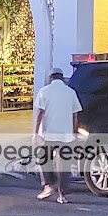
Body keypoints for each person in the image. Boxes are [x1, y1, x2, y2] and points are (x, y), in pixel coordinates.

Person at [33, 67, 82, 204]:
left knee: (44, 159)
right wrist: (75, 133)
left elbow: (40, 114)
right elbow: (75, 116)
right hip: (66, 136)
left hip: (49, 134)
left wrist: (35, 132)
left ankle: (48, 185)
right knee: (64, 166)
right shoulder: (71, 92)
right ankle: (62, 195)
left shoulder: (44, 91)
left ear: (51, 78)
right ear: (62, 78)